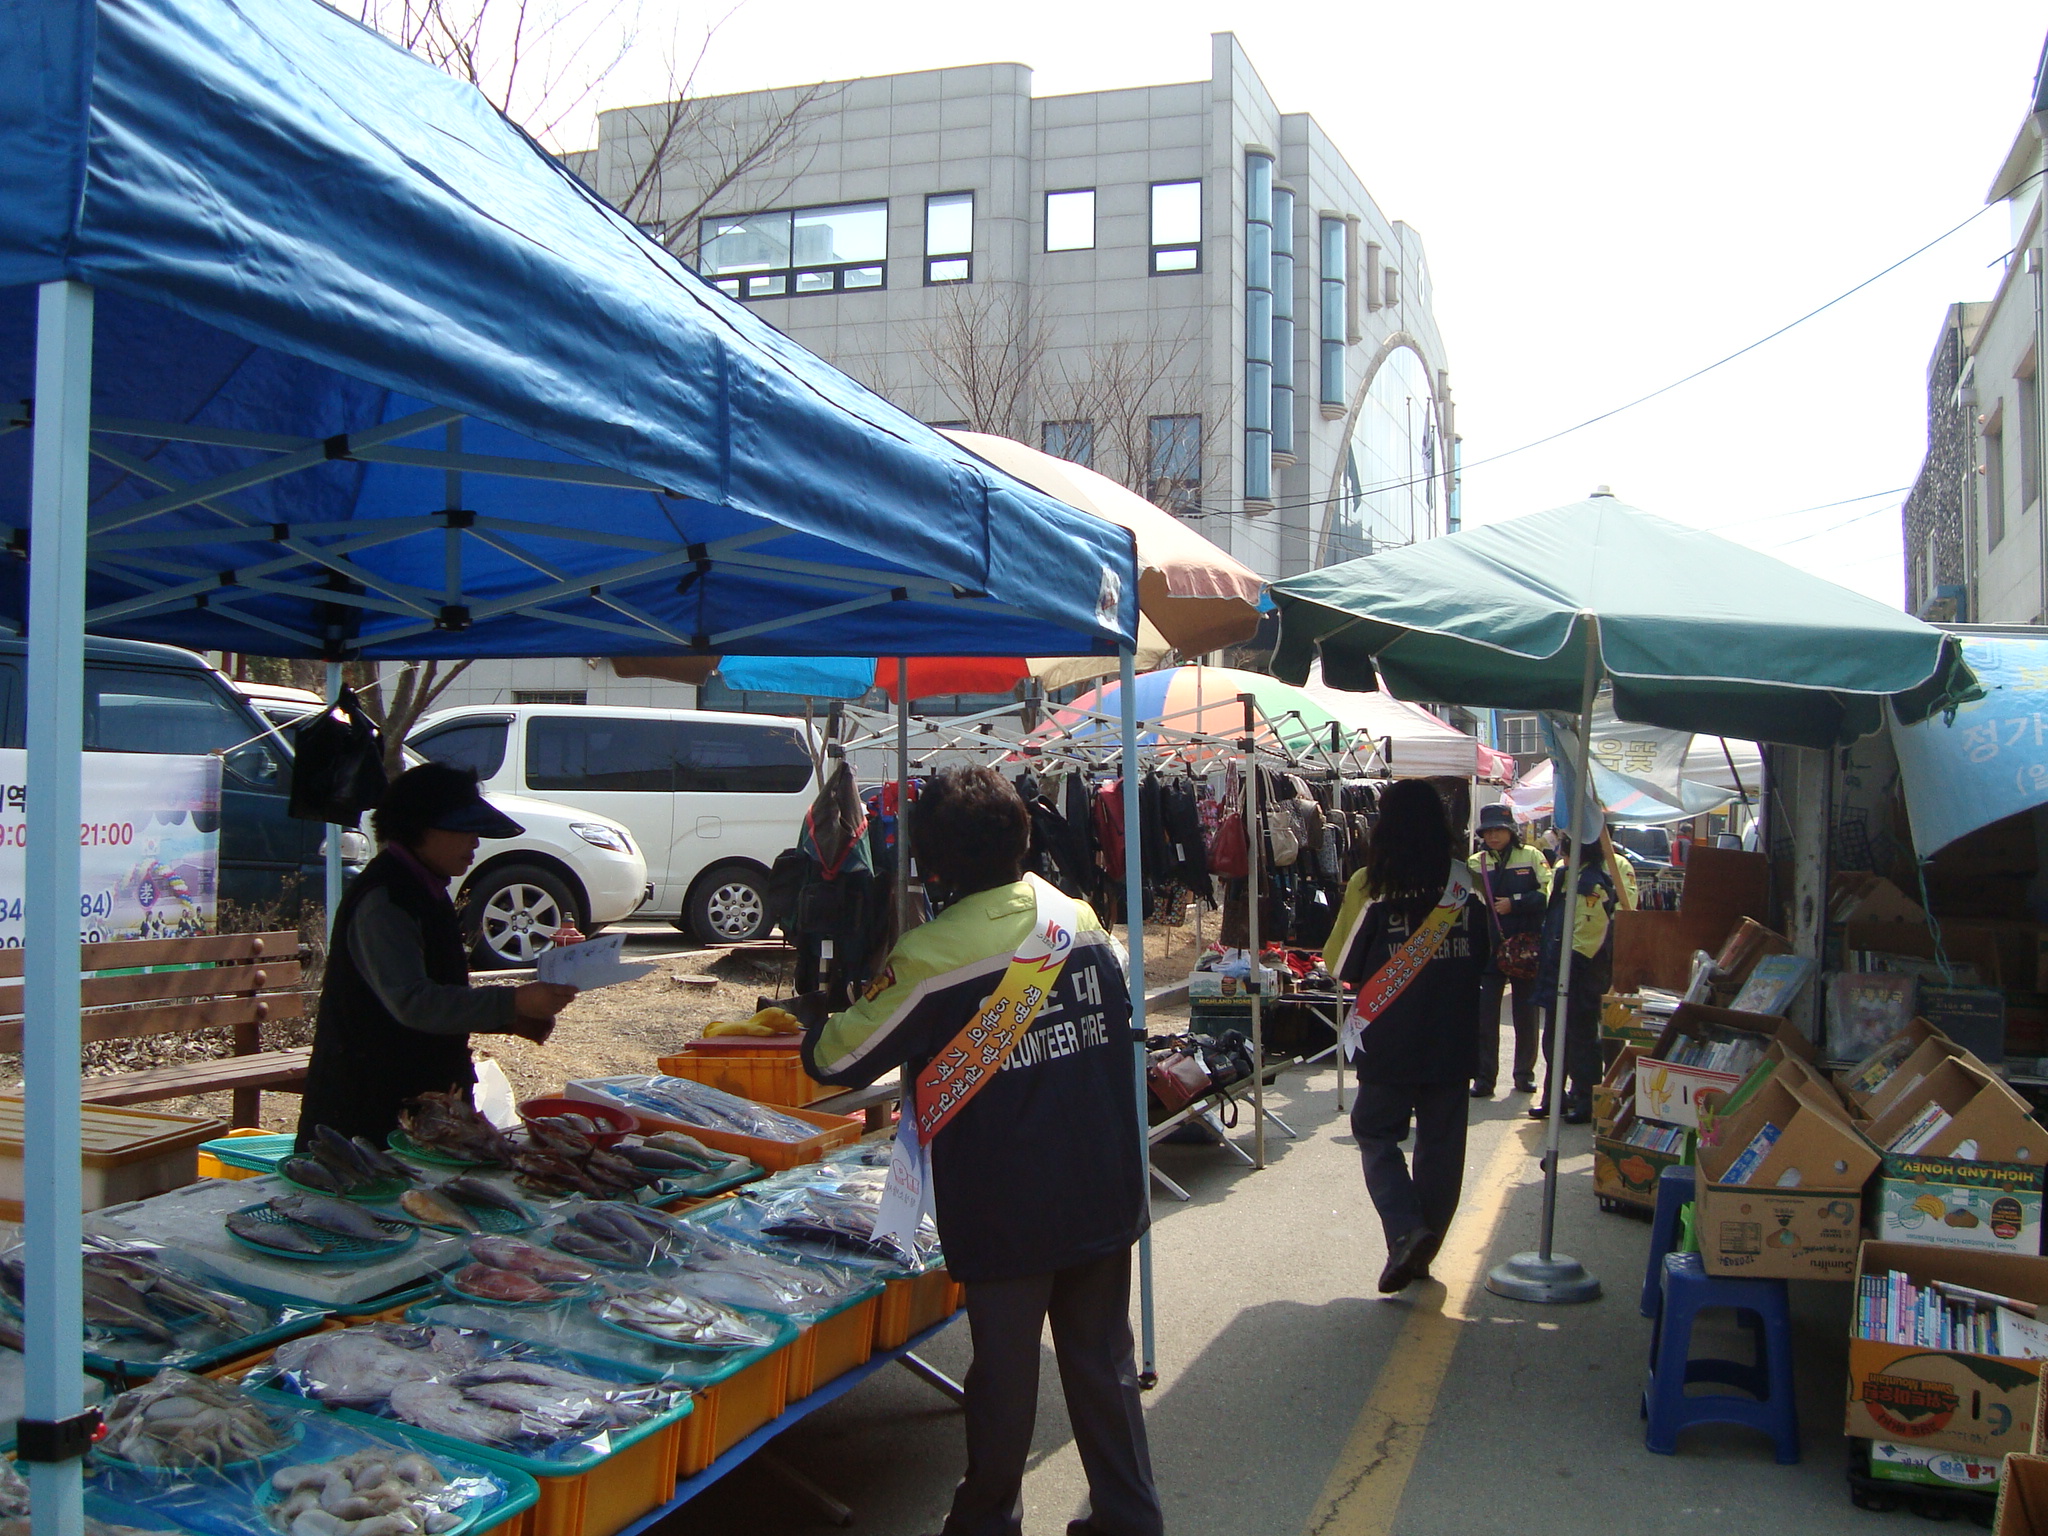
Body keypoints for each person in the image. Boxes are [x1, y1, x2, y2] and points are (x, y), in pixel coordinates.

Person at [798, 767, 1160, 1536]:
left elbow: (835, 1060)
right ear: (1022, 834)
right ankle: (1131, 1518)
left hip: (1007, 1204)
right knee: (1105, 1362)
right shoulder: (1076, 916)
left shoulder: (931, 955)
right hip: (1103, 1178)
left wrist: (816, 1006)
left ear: (931, 864)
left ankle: (987, 1520)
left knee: (1004, 1373)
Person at [296, 763, 578, 1148]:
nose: (475, 843)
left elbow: (436, 995)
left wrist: (511, 1018)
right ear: (422, 829)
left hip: (416, 1102)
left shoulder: (423, 887)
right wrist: (513, 1002)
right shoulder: (386, 900)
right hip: (364, 1115)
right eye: (465, 831)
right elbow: (414, 1002)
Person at [1324, 778, 1489, 1294]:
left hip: (1390, 1037)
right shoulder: (1466, 883)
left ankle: (1405, 1231)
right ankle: (1420, 1252)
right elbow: (1488, 958)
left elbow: (1339, 964)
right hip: (1454, 1034)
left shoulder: (1370, 886)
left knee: (1375, 1132)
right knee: (1442, 1146)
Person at [1529, 828, 1622, 1124]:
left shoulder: (1591, 883)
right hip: (1556, 965)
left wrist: (1570, 967)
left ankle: (1585, 1099)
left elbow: (1588, 934)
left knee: (1581, 1038)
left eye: (1565, 848)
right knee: (1553, 1037)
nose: (1561, 853)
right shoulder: (1565, 876)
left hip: (1579, 971)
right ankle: (1553, 1096)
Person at [1467, 804, 1548, 1098]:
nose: (1493, 836)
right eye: (1487, 831)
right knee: (1485, 1017)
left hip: (1525, 949)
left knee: (1526, 1015)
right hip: (1489, 950)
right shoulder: (1475, 862)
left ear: (1511, 831)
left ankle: (1524, 1075)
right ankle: (1484, 1078)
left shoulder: (1532, 856)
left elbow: (1547, 893)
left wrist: (1515, 903)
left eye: (1498, 830)